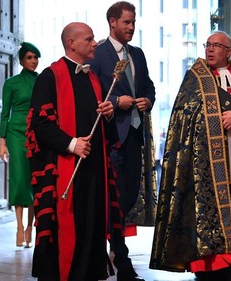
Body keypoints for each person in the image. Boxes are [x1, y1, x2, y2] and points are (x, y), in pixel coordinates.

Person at [149, 30, 231, 280]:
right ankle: (207, 264)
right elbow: (184, 116)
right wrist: (215, 119)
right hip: (205, 161)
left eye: (216, 45)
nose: (210, 49)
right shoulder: (196, 77)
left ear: (228, 52)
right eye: (208, 44)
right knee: (207, 211)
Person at [25, 22, 122, 281]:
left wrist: (109, 116)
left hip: (94, 168)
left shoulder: (94, 79)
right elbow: (39, 124)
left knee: (91, 224)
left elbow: (101, 130)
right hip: (63, 169)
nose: (95, 44)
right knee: (65, 229)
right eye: (89, 39)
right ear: (72, 44)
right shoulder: (50, 76)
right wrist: (71, 144)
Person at [88, 2, 156, 281]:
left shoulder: (137, 54)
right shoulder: (98, 54)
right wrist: (117, 101)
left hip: (135, 136)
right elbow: (90, 92)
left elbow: (148, 85)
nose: (131, 27)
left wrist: (147, 100)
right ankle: (116, 255)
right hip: (112, 137)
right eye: (126, 22)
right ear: (112, 22)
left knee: (128, 195)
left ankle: (113, 247)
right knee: (111, 199)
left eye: (134, 22)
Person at [0, 41, 41, 248]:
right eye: (29, 58)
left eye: (35, 57)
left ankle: (30, 227)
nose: (33, 61)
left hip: (36, 135)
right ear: (22, 60)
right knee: (18, 179)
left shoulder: (42, 81)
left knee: (33, 180)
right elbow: (5, 113)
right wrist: (2, 142)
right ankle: (18, 225)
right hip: (16, 135)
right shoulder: (11, 83)